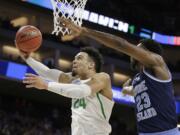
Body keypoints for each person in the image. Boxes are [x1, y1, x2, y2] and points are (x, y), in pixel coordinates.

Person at [60, 19, 180, 135]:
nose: (133, 52)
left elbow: (121, 44)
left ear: (148, 52)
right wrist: (126, 90)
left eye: (138, 48)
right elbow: (137, 91)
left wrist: (85, 31)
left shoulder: (157, 63)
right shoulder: (139, 78)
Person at [20, 47, 114, 135]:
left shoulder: (103, 78)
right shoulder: (73, 80)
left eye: (79, 58)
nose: (74, 61)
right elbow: (47, 72)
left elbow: (81, 91)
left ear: (91, 65)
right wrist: (27, 58)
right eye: (74, 58)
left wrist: (46, 85)